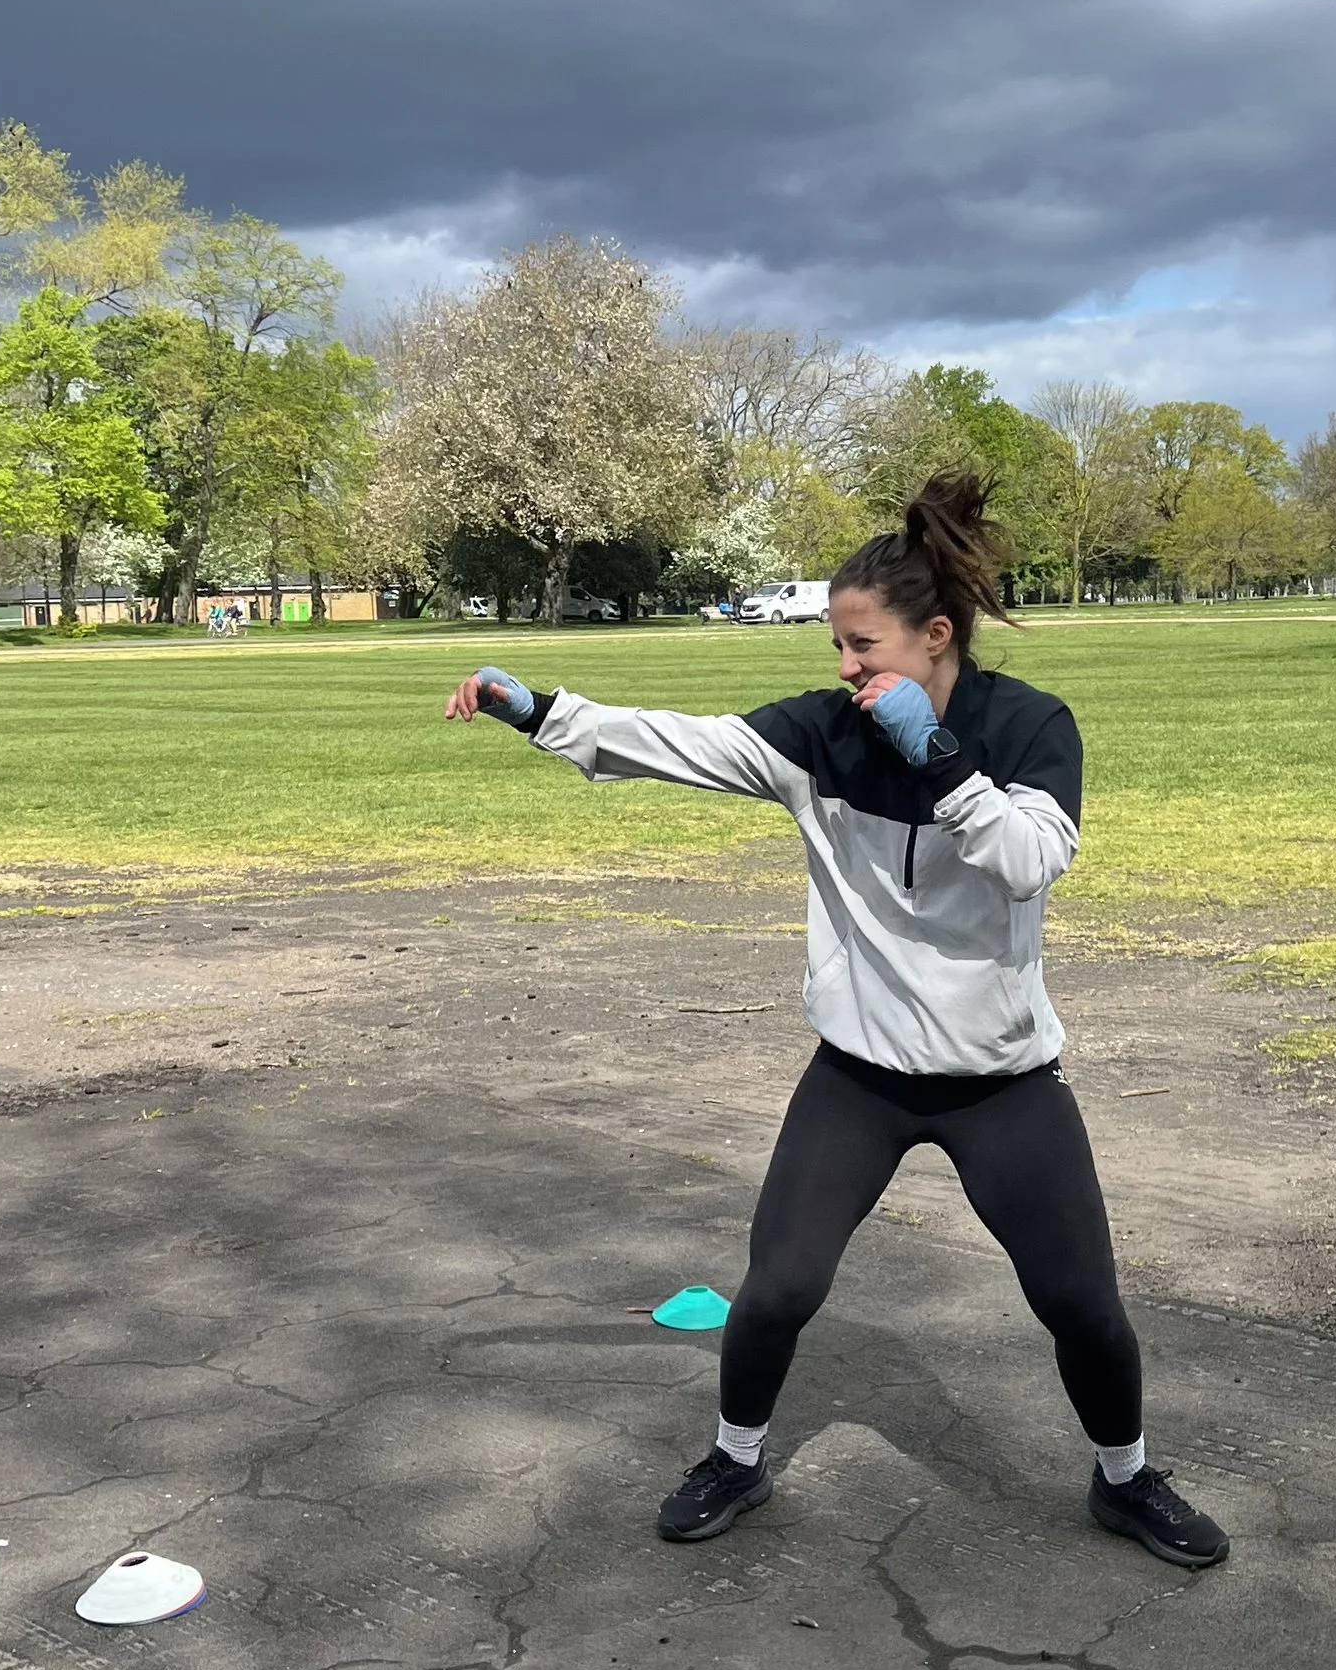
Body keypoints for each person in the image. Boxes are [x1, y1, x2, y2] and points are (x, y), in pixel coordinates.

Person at [443, 473, 1229, 1569]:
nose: (847, 669)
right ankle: (735, 1457)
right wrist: (540, 711)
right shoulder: (820, 735)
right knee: (779, 1286)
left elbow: (1027, 863)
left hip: (999, 1081)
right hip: (858, 1076)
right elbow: (682, 743)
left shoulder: (1029, 726)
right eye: (838, 650)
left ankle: (1127, 1480)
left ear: (936, 636)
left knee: (1080, 1306)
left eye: (863, 647)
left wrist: (940, 759)